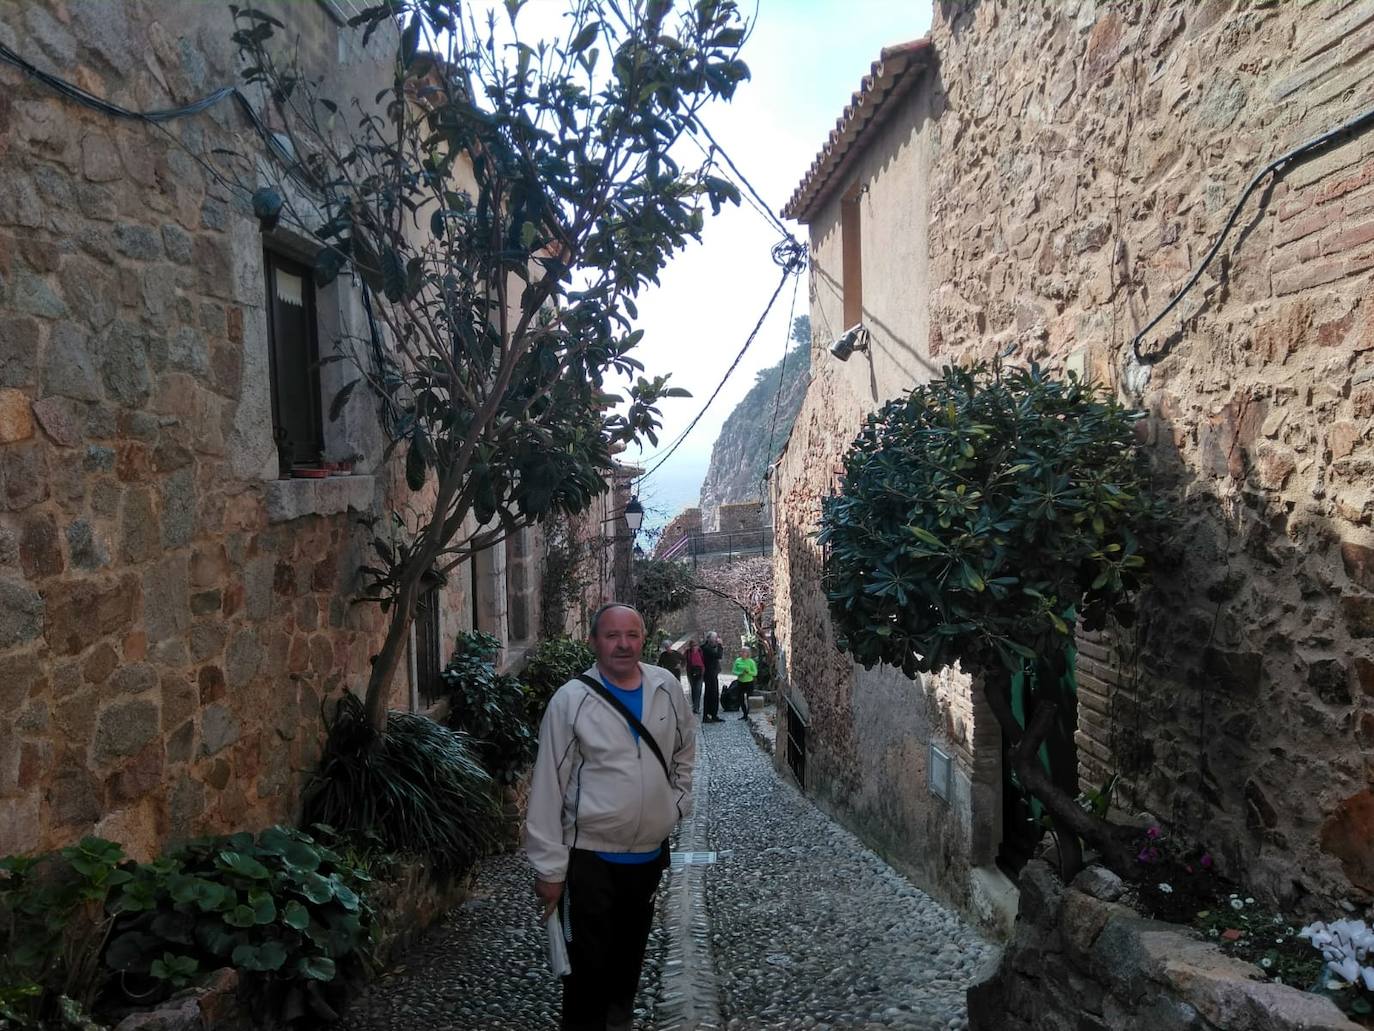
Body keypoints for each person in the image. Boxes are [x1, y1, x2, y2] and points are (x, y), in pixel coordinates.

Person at [525, 603, 696, 1031]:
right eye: (612, 636)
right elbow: (549, 785)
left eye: (632, 635)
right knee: (586, 970)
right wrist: (549, 867)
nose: (623, 645)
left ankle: (618, 1023)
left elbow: (684, 753)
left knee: (627, 961)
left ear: (643, 639)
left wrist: (674, 807)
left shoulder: (665, 687)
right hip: (591, 860)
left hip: (647, 857)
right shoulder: (571, 701)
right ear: (594, 641)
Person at [701, 630, 724, 723]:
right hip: (709, 674)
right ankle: (708, 715)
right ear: (709, 638)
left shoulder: (705, 647)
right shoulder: (706, 648)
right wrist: (720, 645)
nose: (716, 639)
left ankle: (713, 714)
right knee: (710, 695)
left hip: (712, 674)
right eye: (714, 638)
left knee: (713, 695)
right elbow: (718, 655)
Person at [732, 645, 757, 721]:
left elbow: (755, 673)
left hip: (749, 682)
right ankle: (744, 714)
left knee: (749, 698)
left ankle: (749, 714)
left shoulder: (751, 662)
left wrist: (748, 672)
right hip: (740, 682)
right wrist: (740, 673)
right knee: (740, 698)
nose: (742, 653)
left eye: (744, 652)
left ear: (747, 653)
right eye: (741, 651)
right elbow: (734, 671)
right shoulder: (738, 661)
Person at [684, 638, 706, 714]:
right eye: (692, 646)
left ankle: (696, 707)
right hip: (691, 672)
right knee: (693, 689)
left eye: (695, 645)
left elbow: (704, 661)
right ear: (690, 646)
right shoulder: (687, 652)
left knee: (698, 689)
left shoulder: (700, 651)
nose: (694, 647)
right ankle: (694, 706)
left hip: (700, 672)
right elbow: (684, 660)